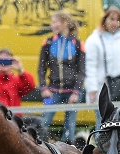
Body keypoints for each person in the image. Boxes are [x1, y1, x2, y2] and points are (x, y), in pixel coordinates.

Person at [37, 10, 86, 143]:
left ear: (64, 23)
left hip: (72, 92)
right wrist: (43, 87)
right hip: (53, 90)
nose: (52, 25)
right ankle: (41, 147)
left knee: (69, 126)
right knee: (44, 122)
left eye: (54, 22)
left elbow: (82, 70)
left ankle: (67, 151)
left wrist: (77, 91)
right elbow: (41, 68)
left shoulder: (77, 44)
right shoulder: (47, 42)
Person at [85, 6, 120, 128]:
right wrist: (92, 88)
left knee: (119, 121)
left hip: (118, 88)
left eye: (118, 20)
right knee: (102, 121)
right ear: (105, 19)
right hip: (100, 88)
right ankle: (101, 146)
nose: (114, 23)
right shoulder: (94, 39)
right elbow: (90, 65)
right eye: (111, 19)